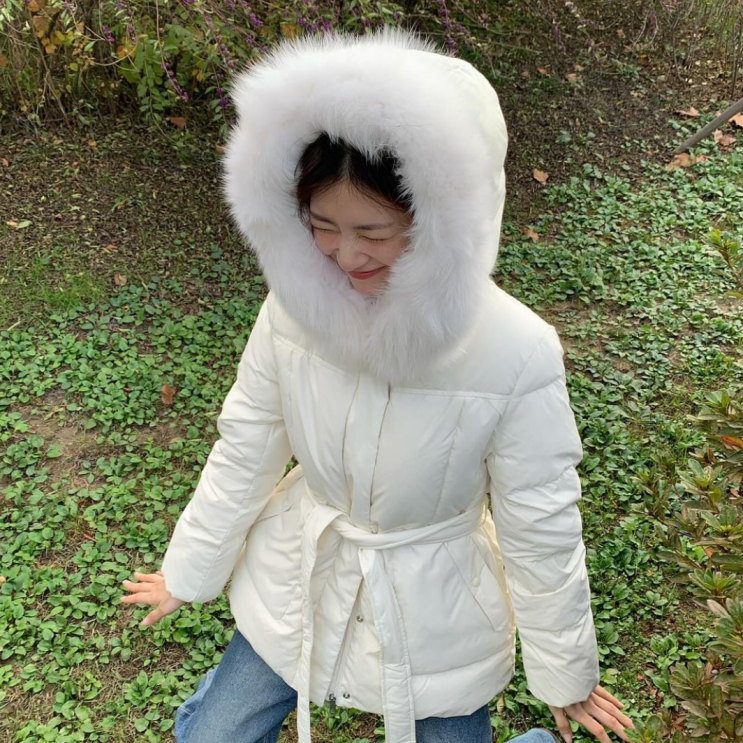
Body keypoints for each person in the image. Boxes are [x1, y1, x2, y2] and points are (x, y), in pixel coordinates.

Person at [120, 26, 636, 743]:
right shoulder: (292, 311)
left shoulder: (516, 352)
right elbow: (246, 445)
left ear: (444, 221)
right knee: (212, 734)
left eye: (374, 230)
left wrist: (565, 673)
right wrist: (189, 569)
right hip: (301, 576)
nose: (344, 255)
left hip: (436, 612)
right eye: (321, 225)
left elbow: (539, 523)